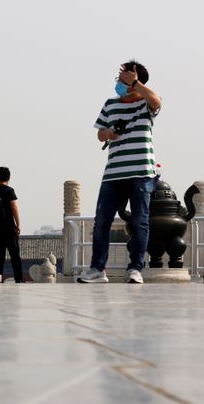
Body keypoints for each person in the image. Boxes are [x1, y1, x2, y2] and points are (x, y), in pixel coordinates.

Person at [78, 61, 161, 284]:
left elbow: (156, 101)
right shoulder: (110, 104)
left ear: (136, 81)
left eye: (123, 78)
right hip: (113, 173)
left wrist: (134, 82)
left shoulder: (146, 103)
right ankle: (97, 269)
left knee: (139, 221)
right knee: (101, 221)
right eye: (119, 78)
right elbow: (100, 134)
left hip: (141, 172)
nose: (119, 82)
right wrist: (110, 133)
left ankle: (135, 269)